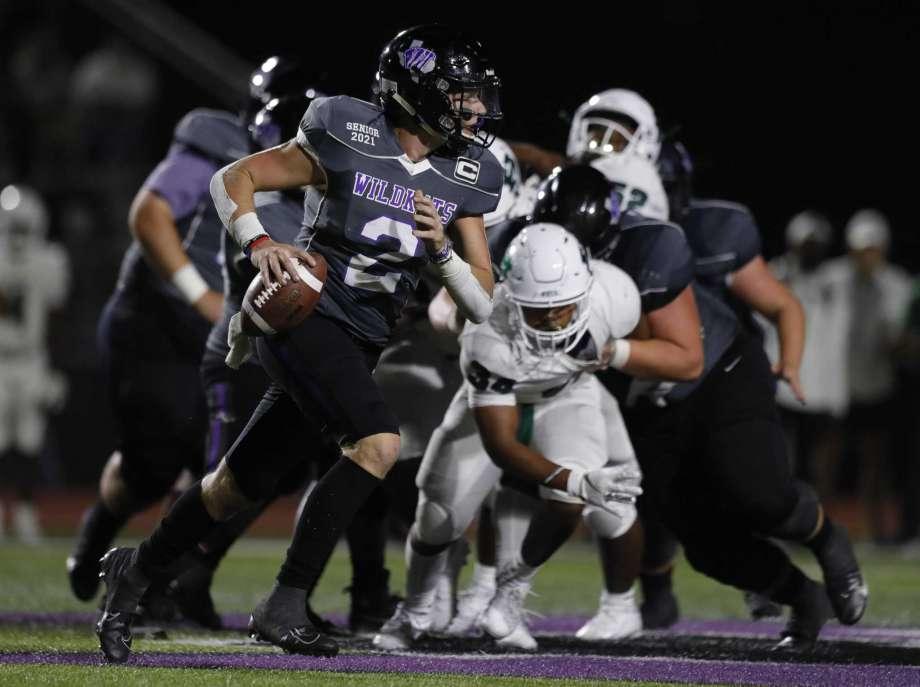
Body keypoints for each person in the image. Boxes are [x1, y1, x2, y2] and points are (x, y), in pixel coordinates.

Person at [94, 24, 504, 662]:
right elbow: (233, 178)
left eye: (477, 94)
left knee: (234, 486)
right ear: (417, 90)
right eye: (461, 93)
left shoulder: (469, 173)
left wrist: (443, 254)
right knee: (377, 443)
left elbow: (481, 302)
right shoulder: (347, 131)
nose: (475, 107)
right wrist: (260, 242)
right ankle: (285, 602)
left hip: (365, 337)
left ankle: (136, 570)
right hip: (305, 317)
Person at [373, 223, 643, 651]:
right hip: (494, 402)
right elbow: (501, 446)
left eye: (562, 308)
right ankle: (416, 608)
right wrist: (575, 479)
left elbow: (659, 352)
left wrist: (617, 355)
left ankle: (511, 593)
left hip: (568, 396)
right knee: (438, 517)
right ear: (512, 299)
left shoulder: (615, 298)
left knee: (570, 502)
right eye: (538, 310)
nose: (552, 319)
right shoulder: (487, 331)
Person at [0, 184, 69, 543]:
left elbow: (56, 318)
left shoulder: (50, 261)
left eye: (23, 228)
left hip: (31, 359)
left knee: (28, 439)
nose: (18, 237)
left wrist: (54, 367)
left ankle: (25, 511)